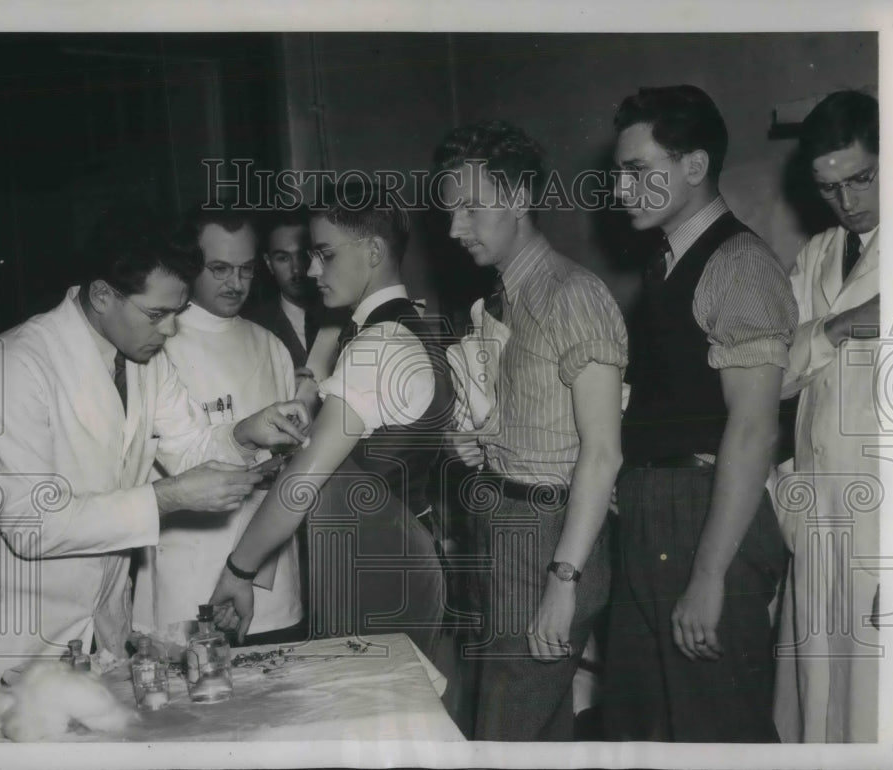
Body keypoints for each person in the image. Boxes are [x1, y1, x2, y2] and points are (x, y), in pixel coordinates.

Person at [0, 208, 308, 695]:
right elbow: (30, 525)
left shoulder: (142, 358)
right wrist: (165, 498)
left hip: (97, 631)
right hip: (18, 631)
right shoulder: (12, 367)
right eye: (157, 314)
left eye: (178, 311)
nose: (170, 331)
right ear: (103, 294)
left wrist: (245, 434)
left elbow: (190, 445)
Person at [602, 85, 796, 742]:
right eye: (618, 173)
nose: (622, 190)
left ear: (694, 165)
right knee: (645, 728)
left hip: (705, 516)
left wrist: (709, 575)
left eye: (638, 171)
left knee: (718, 732)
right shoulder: (667, 264)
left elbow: (754, 427)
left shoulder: (737, 263)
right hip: (657, 512)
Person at [433, 119, 627, 741]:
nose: (455, 229)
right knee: (538, 734)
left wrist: (562, 582)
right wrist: (482, 442)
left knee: (503, 734)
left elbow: (601, 455)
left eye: (470, 208)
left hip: (551, 540)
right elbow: (546, 427)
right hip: (511, 529)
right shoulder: (510, 297)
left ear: (518, 197)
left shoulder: (574, 294)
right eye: (450, 211)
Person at [209, 189, 450, 663]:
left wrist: (239, 569)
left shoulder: (376, 346)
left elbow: (303, 484)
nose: (312, 270)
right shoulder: (416, 328)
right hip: (397, 553)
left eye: (324, 254)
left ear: (374, 252)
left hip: (377, 562)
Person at [132, 208, 305, 646]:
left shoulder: (270, 345)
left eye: (247, 269)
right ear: (191, 265)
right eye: (220, 269)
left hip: (268, 572)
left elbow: (290, 468)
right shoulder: (158, 341)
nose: (236, 283)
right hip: (186, 572)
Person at [773, 90, 881, 743]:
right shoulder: (815, 255)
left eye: (861, 178)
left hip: (887, 529)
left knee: (879, 710)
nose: (847, 201)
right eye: (828, 187)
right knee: (815, 708)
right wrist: (839, 326)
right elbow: (773, 377)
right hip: (818, 524)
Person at [241, 207, 322, 369]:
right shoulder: (250, 325)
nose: (297, 269)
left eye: (304, 255)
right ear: (269, 263)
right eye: (283, 258)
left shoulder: (345, 315)